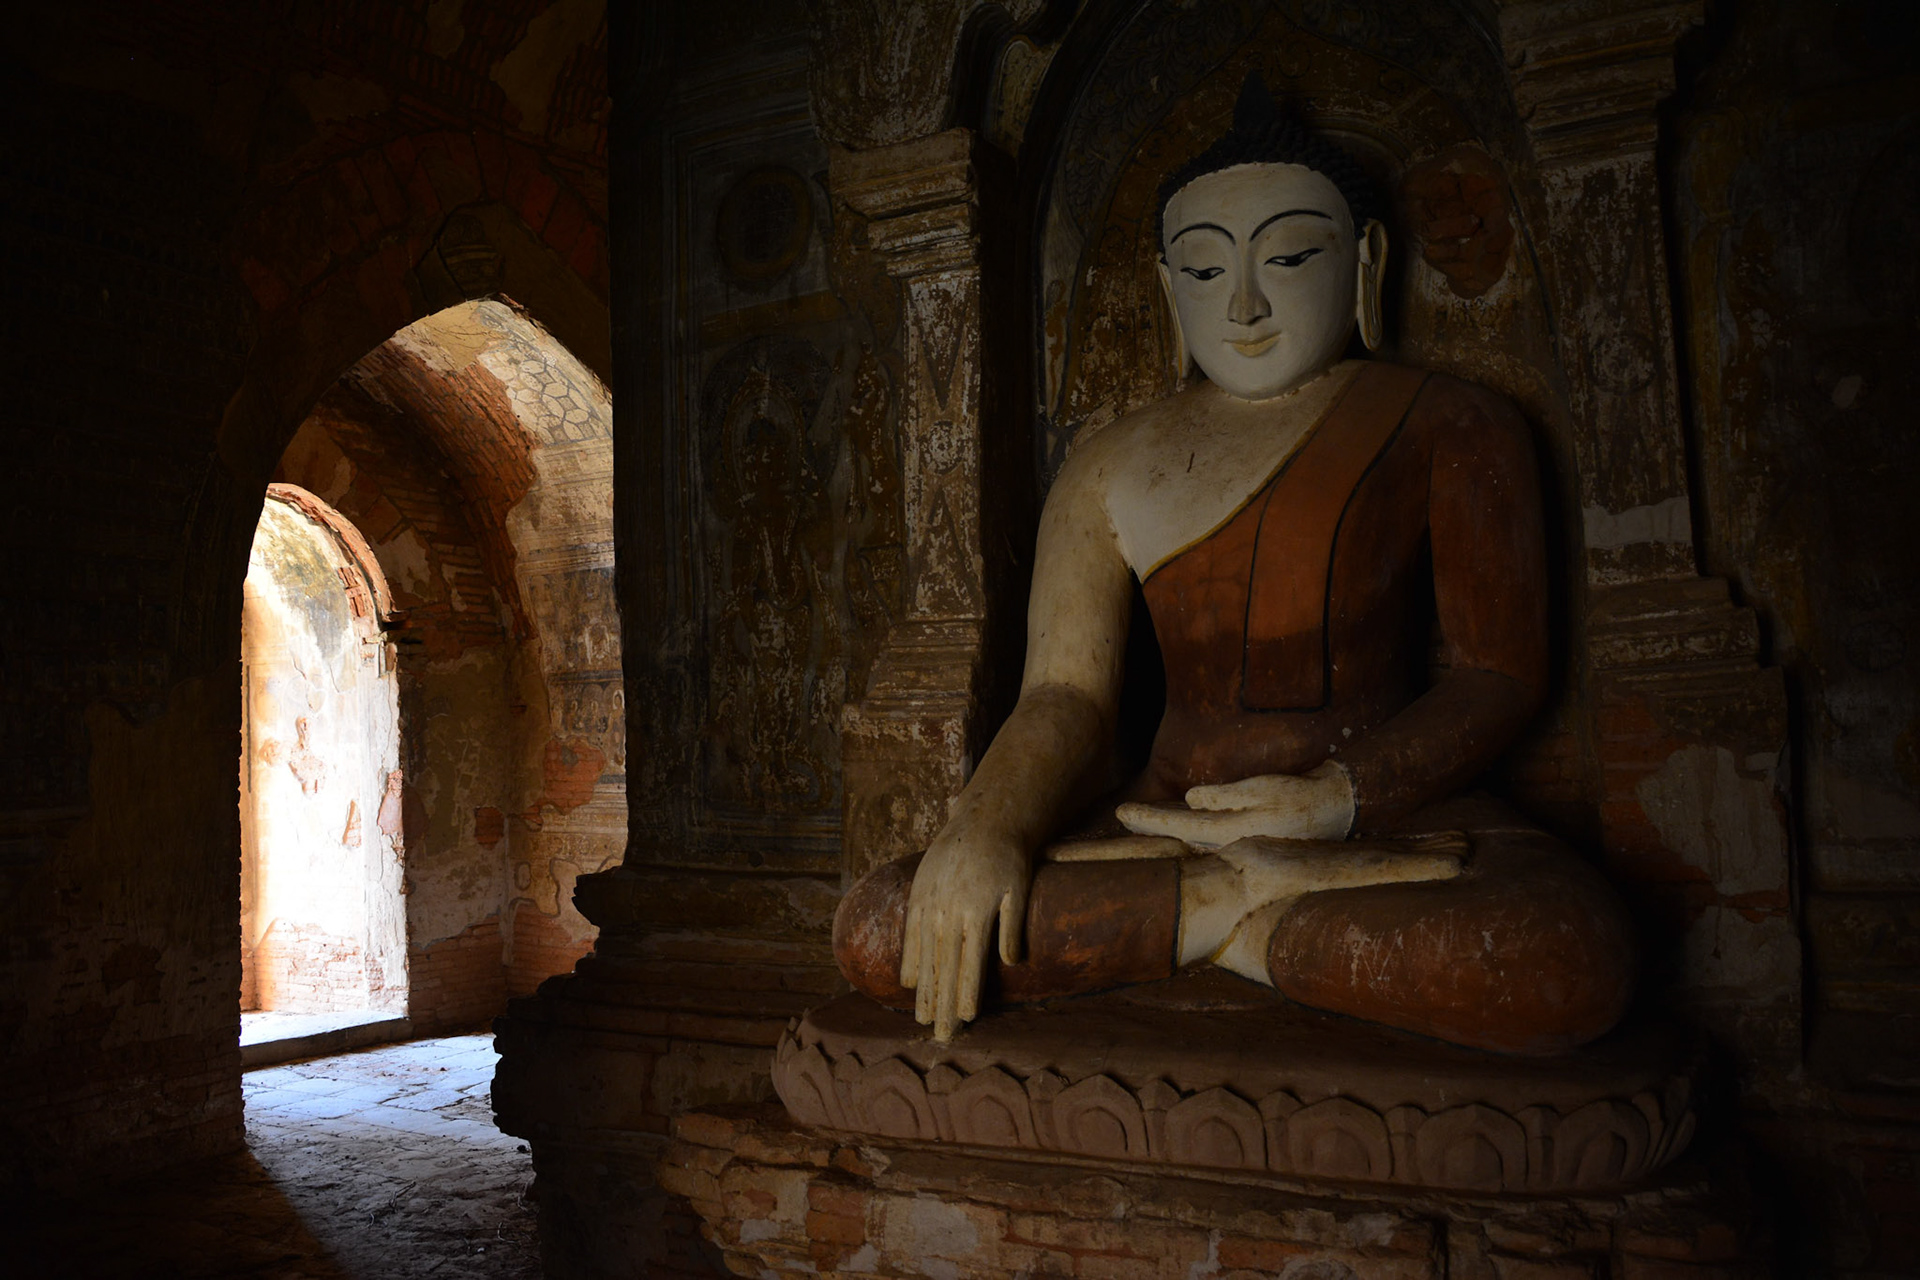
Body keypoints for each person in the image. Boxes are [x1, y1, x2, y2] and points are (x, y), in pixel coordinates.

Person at [834, 75, 1633, 1055]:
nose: (1246, 303)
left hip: (1386, 826)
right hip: (1168, 830)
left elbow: (1497, 675)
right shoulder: (1110, 464)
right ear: (1169, 291)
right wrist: (985, 826)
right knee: (885, 926)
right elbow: (1066, 696)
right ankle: (1242, 909)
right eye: (1207, 272)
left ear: (1366, 262)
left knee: (1566, 952)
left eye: (1292, 255)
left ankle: (1200, 930)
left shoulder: (1450, 424)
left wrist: (1334, 799)